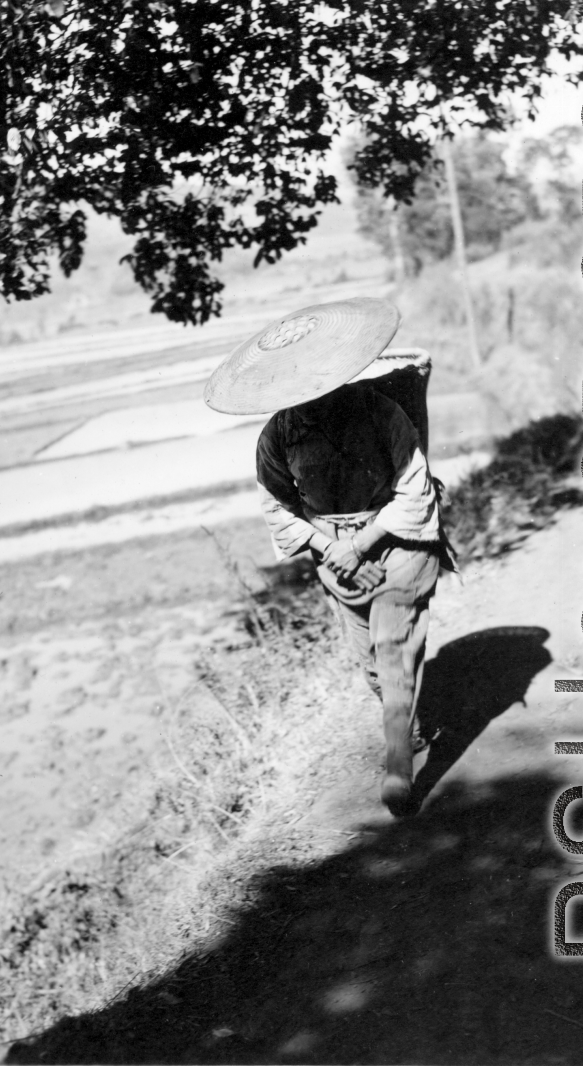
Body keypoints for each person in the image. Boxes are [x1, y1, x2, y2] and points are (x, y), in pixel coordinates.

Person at [204, 297, 451, 817]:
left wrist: (361, 544)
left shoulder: (381, 414)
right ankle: (408, 722)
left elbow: (415, 490)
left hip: (397, 543)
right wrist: (331, 547)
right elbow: (276, 505)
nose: (309, 392)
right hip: (334, 559)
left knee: (391, 646)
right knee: (371, 665)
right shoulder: (278, 435)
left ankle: (399, 768)